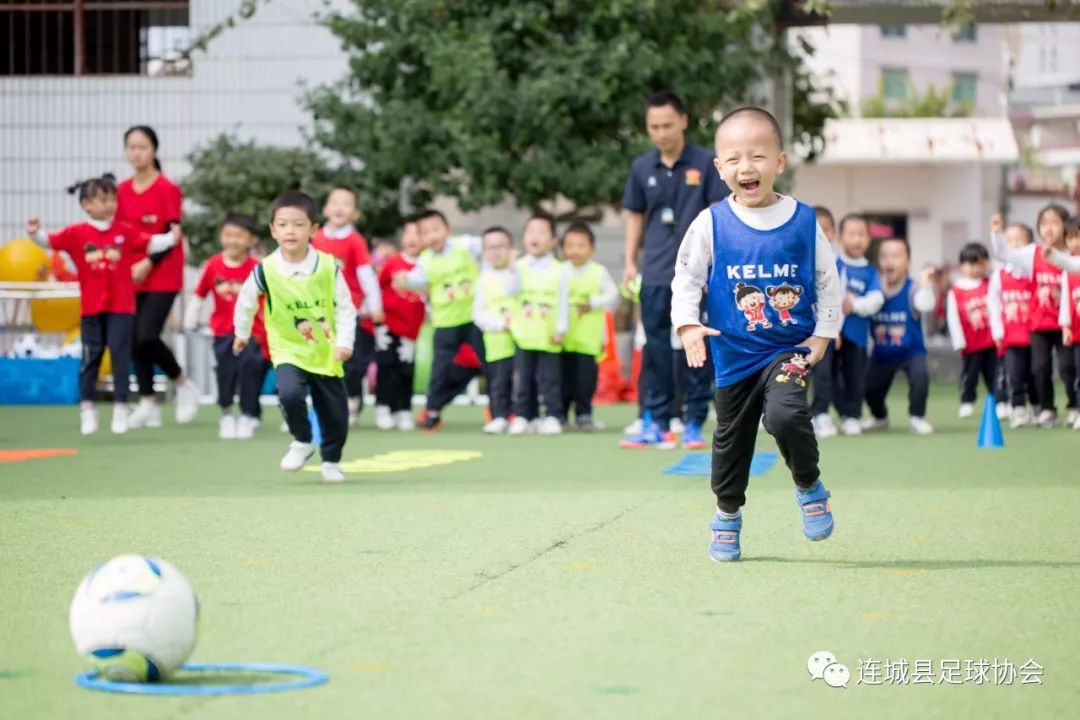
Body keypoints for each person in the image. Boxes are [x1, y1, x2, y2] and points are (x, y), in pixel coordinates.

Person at [672, 107, 842, 562]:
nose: (746, 167)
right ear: (719, 167)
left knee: (785, 415)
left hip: (789, 349)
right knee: (731, 441)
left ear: (780, 162)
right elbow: (687, 278)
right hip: (733, 356)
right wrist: (688, 325)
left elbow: (828, 280)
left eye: (758, 156)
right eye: (734, 159)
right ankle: (727, 514)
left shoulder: (803, 221)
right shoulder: (710, 222)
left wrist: (822, 336)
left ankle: (809, 485)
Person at [26, 174, 180, 435]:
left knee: (120, 356)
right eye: (103, 200)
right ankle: (88, 409)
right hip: (91, 310)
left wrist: (171, 237)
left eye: (113, 199)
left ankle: (121, 408)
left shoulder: (124, 232)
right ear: (87, 204)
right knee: (91, 357)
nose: (110, 205)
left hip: (121, 308)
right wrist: (34, 233)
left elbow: (150, 242)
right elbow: (49, 241)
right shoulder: (76, 234)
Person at [621, 91, 729, 448]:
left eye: (668, 125)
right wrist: (629, 261)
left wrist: (717, 265)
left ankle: (694, 420)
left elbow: (718, 215)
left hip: (698, 273)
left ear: (683, 121)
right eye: (654, 127)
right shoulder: (641, 167)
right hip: (654, 271)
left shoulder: (706, 162)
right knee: (654, 348)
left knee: (696, 342)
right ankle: (657, 421)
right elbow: (634, 216)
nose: (661, 133)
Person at [233, 191, 356, 483]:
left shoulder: (327, 266)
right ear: (273, 230)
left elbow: (346, 307)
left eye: (299, 224)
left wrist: (344, 342)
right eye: (283, 224)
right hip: (287, 349)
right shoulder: (265, 269)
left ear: (313, 229)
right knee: (288, 393)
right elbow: (246, 301)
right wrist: (242, 333)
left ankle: (331, 461)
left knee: (336, 416)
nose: (291, 231)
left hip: (325, 352)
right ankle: (302, 440)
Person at [116, 126, 201, 429]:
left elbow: (172, 234)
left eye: (142, 147)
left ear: (154, 150)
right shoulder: (122, 191)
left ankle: (182, 382)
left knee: (146, 336)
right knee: (132, 339)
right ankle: (148, 402)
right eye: (131, 147)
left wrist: (147, 263)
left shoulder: (167, 189)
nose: (136, 153)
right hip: (131, 274)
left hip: (162, 273)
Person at [392, 209, 483, 430]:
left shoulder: (466, 245)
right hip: (444, 323)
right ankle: (432, 410)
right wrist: (404, 280)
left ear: (447, 230)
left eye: (436, 229)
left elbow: (491, 246)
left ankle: (502, 410)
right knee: (440, 370)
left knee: (488, 364)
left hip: (475, 319)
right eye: (425, 233)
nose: (432, 236)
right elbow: (416, 280)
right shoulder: (425, 260)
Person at [183, 213, 268, 440]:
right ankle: (226, 414)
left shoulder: (258, 268)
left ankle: (248, 414)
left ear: (251, 240)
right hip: (222, 332)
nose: (233, 240)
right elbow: (200, 294)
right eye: (228, 235)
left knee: (250, 371)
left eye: (239, 236)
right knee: (225, 372)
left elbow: (270, 300)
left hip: (251, 333)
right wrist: (190, 318)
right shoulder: (213, 265)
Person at [990, 207, 1076, 426]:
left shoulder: (1073, 255)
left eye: (1055, 222)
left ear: (1066, 226)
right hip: (1039, 323)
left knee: (1068, 368)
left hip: (1067, 323)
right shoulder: (1033, 253)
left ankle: (1074, 406)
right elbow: (1004, 254)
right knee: (1039, 367)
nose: (1049, 228)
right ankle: (1047, 409)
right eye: (1044, 223)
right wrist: (997, 233)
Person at [311, 187, 383, 426]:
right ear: (325, 209)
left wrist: (375, 306)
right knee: (320, 360)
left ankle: (352, 401)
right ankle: (321, 407)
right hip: (319, 312)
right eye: (335, 203)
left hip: (348, 312)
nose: (339, 208)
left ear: (355, 213)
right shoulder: (315, 238)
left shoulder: (355, 241)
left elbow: (366, 275)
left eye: (346, 204)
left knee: (350, 362)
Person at [810, 213, 883, 438]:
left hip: (857, 335)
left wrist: (856, 304)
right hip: (829, 333)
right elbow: (821, 295)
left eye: (861, 234)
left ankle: (852, 415)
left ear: (868, 239)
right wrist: (832, 327)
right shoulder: (831, 263)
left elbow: (876, 299)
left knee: (854, 376)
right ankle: (820, 414)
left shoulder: (870, 271)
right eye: (851, 234)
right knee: (824, 374)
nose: (856, 239)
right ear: (840, 237)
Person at [862, 239, 937, 435]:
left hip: (911, 352)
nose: (889, 261)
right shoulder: (873, 290)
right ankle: (880, 417)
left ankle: (916, 417)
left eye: (895, 256)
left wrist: (925, 283)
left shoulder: (913, 289)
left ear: (908, 262)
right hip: (881, 354)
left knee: (920, 379)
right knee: (869, 389)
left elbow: (926, 304)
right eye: (884, 256)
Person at [508, 214, 570, 436]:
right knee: (523, 379)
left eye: (542, 232)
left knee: (550, 379)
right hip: (524, 334)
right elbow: (511, 291)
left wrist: (561, 327)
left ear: (553, 240)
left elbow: (563, 300)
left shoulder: (560, 269)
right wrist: (511, 267)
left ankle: (552, 415)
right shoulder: (519, 266)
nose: (535, 237)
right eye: (530, 232)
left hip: (549, 334)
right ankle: (524, 416)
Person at [560, 222, 619, 432]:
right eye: (570, 245)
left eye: (580, 245)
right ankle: (560, 415)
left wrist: (593, 302)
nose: (575, 250)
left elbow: (613, 295)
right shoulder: (560, 271)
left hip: (589, 339)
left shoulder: (598, 272)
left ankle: (584, 414)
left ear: (592, 249)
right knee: (563, 378)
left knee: (586, 379)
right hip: (564, 339)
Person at [372, 222, 426, 431]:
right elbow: (377, 286)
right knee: (386, 366)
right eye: (408, 234)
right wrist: (375, 312)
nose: (413, 239)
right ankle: (383, 407)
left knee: (406, 369)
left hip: (411, 328)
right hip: (388, 323)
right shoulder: (393, 262)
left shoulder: (427, 264)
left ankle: (403, 409)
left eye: (418, 234)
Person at [988, 222, 1038, 428]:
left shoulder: (1034, 272)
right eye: (1010, 240)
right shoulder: (999, 275)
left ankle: (1037, 406)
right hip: (1011, 336)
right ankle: (1017, 407)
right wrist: (997, 331)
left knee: (1035, 372)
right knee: (1014, 373)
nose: (1015, 244)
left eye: (1020, 239)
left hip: (1035, 333)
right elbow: (993, 305)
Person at [472, 227, 519, 434]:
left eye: (501, 246)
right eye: (491, 247)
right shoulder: (484, 280)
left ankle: (520, 415)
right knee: (498, 381)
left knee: (521, 381)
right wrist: (499, 324)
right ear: (484, 252)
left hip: (522, 340)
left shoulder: (519, 275)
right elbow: (478, 313)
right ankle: (499, 415)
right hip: (496, 342)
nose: (496, 251)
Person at [946, 242, 996, 418]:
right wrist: (958, 341)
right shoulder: (956, 290)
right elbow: (953, 318)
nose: (975, 269)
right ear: (962, 265)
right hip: (970, 343)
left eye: (979, 264)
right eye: (970, 264)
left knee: (994, 373)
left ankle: (999, 401)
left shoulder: (991, 284)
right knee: (970, 374)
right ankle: (967, 401)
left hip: (991, 341)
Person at [1044, 217, 1080, 430]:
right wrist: (1065, 326)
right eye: (1071, 238)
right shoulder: (1069, 270)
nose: (1075, 242)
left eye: (1079, 237)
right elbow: (1065, 300)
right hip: (1078, 333)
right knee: (1076, 372)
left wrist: (1055, 257)